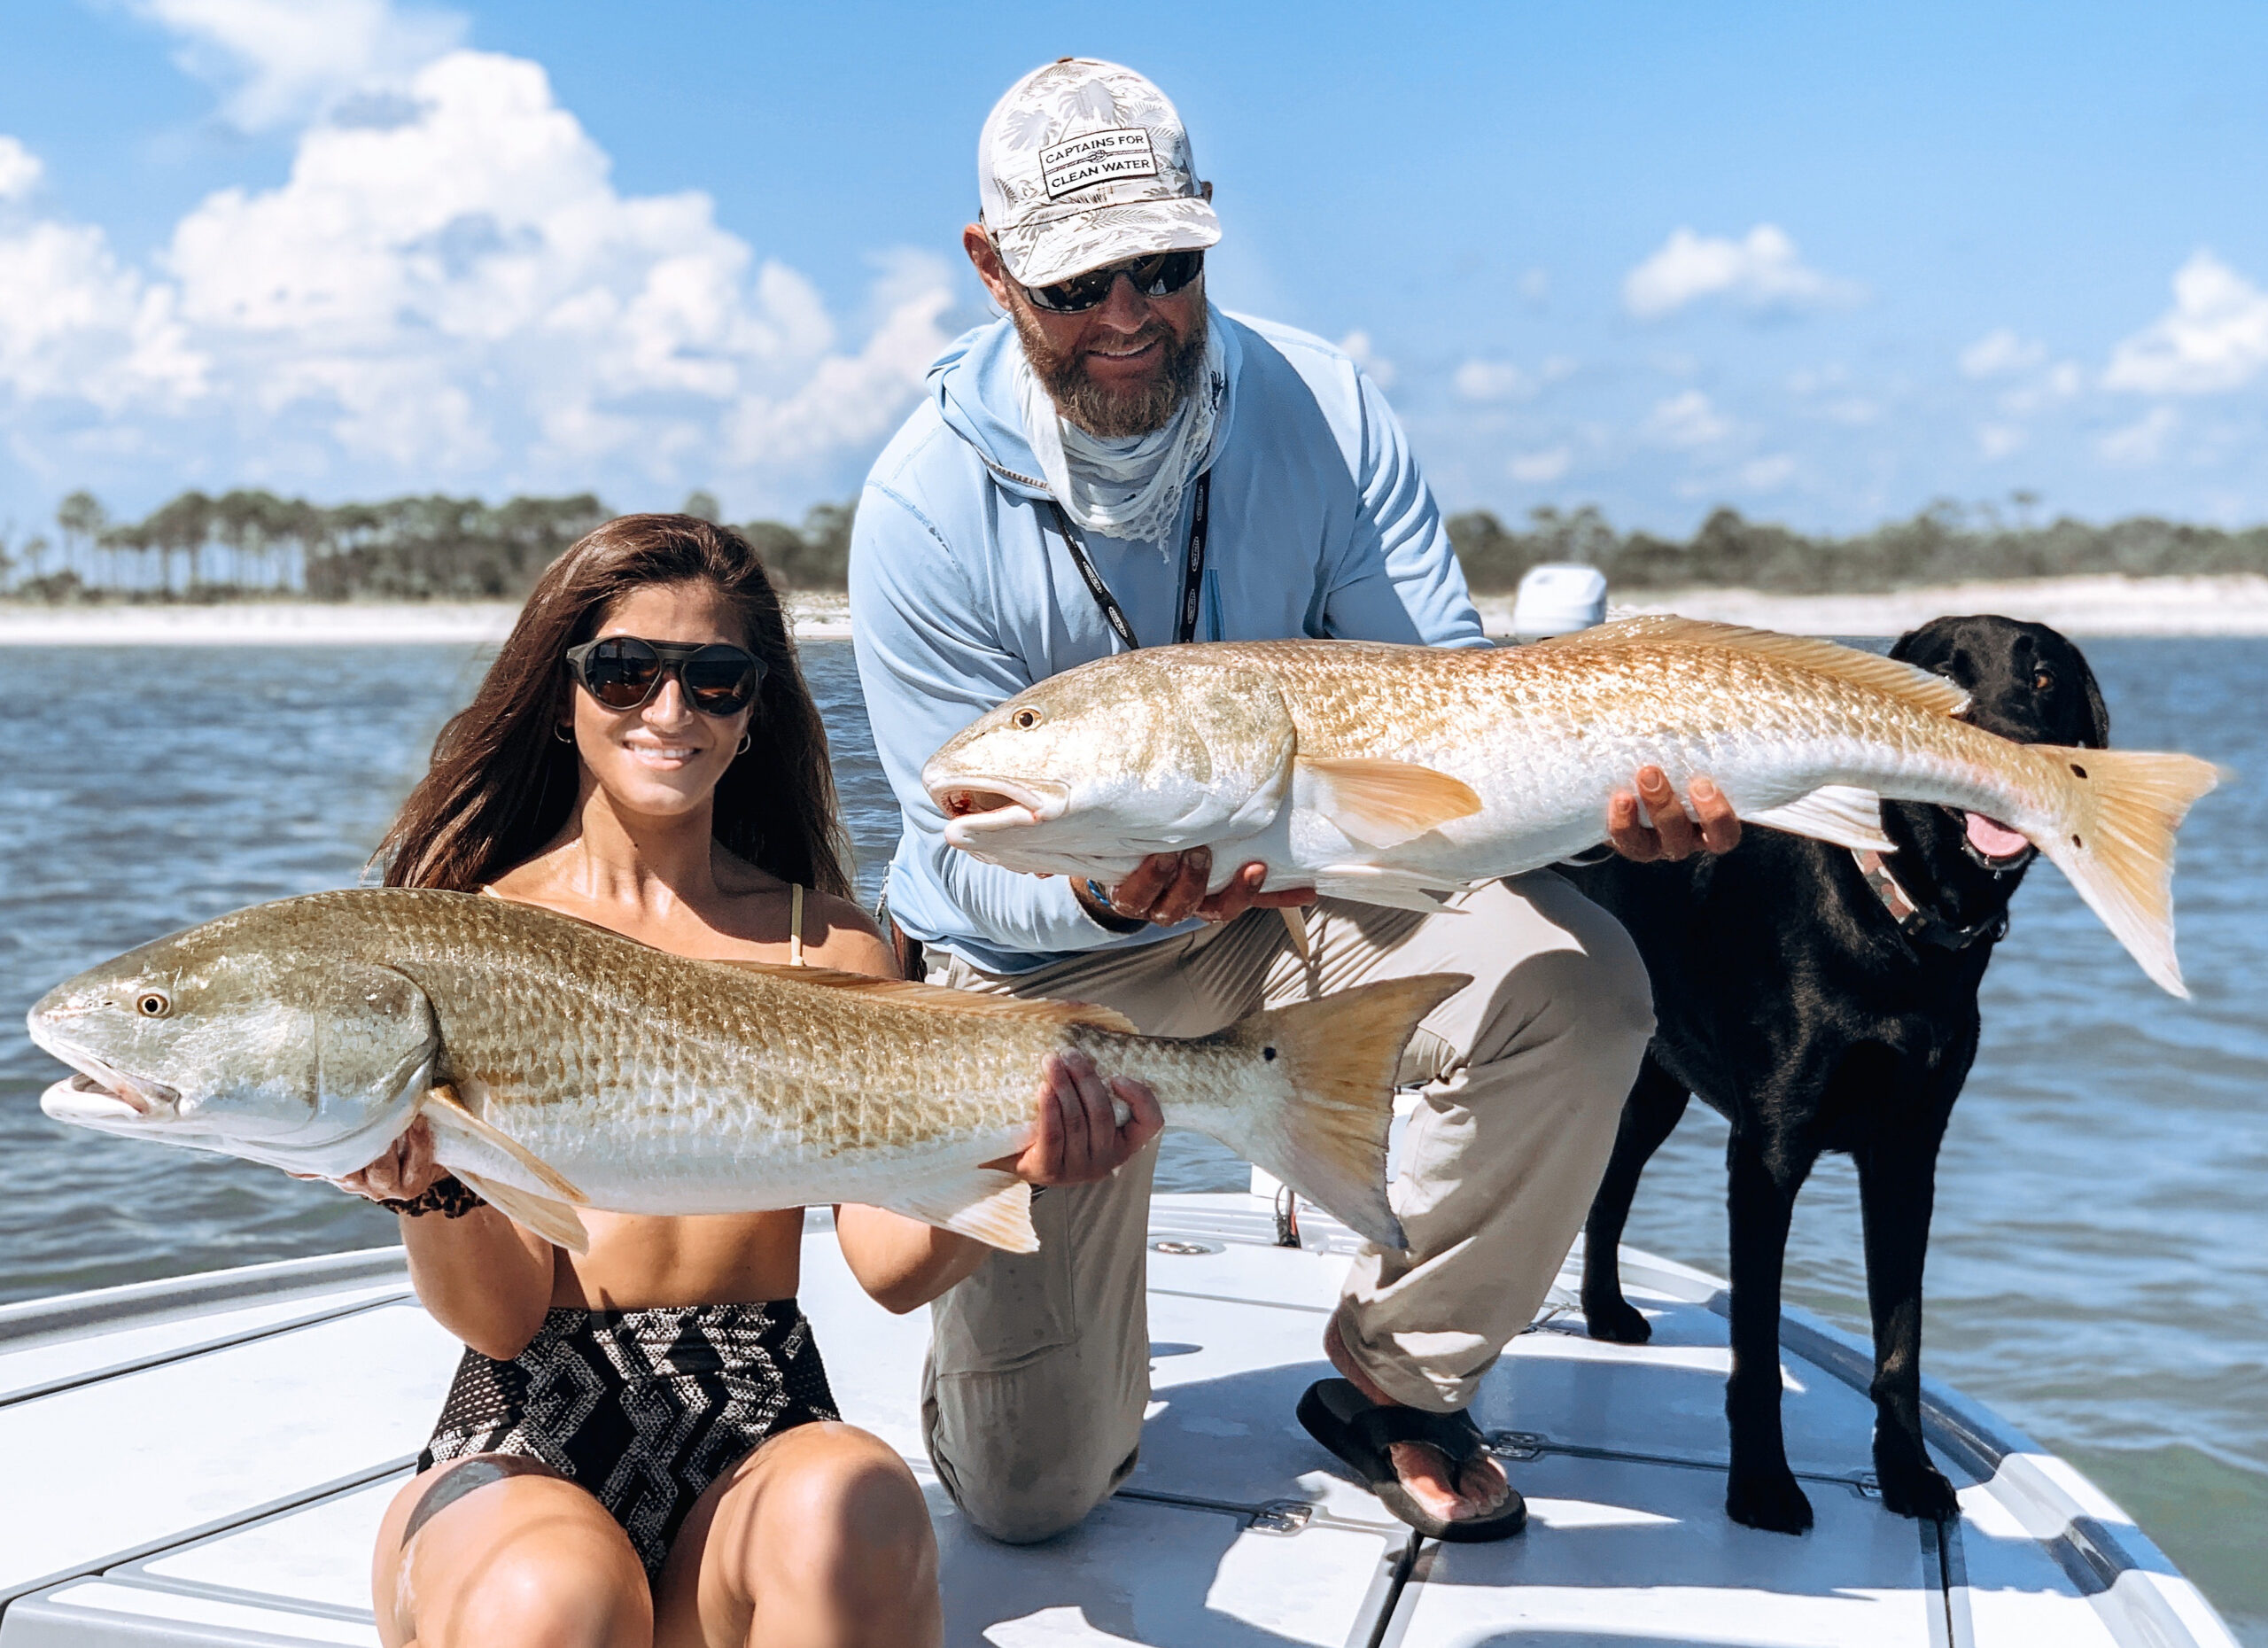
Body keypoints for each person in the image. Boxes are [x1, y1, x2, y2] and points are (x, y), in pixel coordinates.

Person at [850, 58, 1740, 1544]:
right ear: (992, 270)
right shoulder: (921, 510)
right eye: (1076, 285)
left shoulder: (1324, 409)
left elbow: (1455, 728)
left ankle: (1398, 1370)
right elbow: (957, 854)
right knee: (1031, 1500)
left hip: (1297, 899)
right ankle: (1013, 1361)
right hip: (1044, 971)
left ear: (1208, 232)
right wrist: (1100, 891)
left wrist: (1607, 819)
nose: (1129, 314)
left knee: (1577, 984)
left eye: (1164, 266)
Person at [338, 514, 1160, 1647]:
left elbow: (889, 1268)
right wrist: (429, 1192)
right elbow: (502, 1317)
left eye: (714, 678)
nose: (669, 710)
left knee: (855, 1502)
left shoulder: (832, 945)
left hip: (761, 1418)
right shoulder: (473, 936)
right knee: (551, 1600)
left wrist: (1019, 1168)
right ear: (564, 695)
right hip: (527, 1423)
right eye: (624, 671)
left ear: (752, 709)